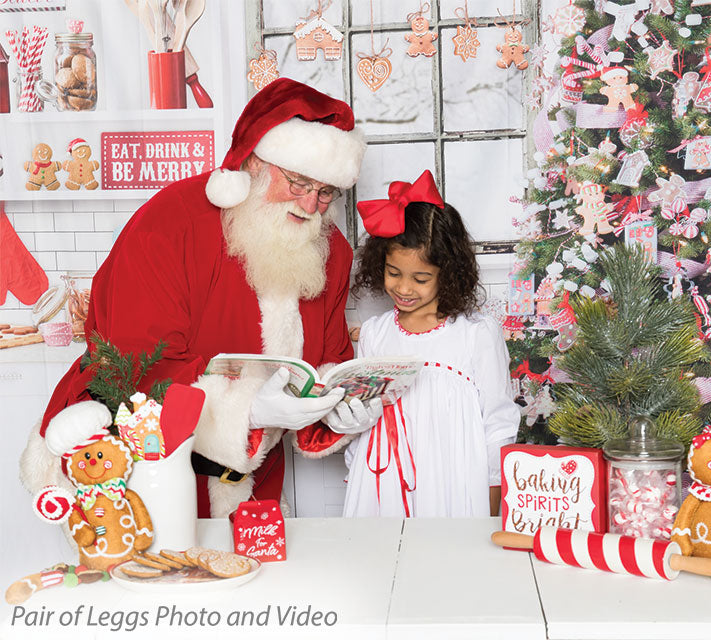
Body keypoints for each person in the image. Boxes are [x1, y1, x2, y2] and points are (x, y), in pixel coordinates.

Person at [21, 79, 382, 518]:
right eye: (298, 182)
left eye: (327, 192)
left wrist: (338, 408)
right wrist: (248, 409)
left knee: (257, 584)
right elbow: (135, 367)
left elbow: (325, 361)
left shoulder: (331, 251)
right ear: (253, 163)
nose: (311, 205)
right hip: (142, 473)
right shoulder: (170, 223)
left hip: (250, 483)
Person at [343, 170, 520, 518]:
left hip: (451, 477)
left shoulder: (475, 334)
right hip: (383, 474)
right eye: (394, 273)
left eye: (420, 278)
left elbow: (497, 421)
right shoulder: (376, 333)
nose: (404, 288)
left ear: (449, 273)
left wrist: (493, 492)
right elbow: (365, 415)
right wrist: (355, 472)